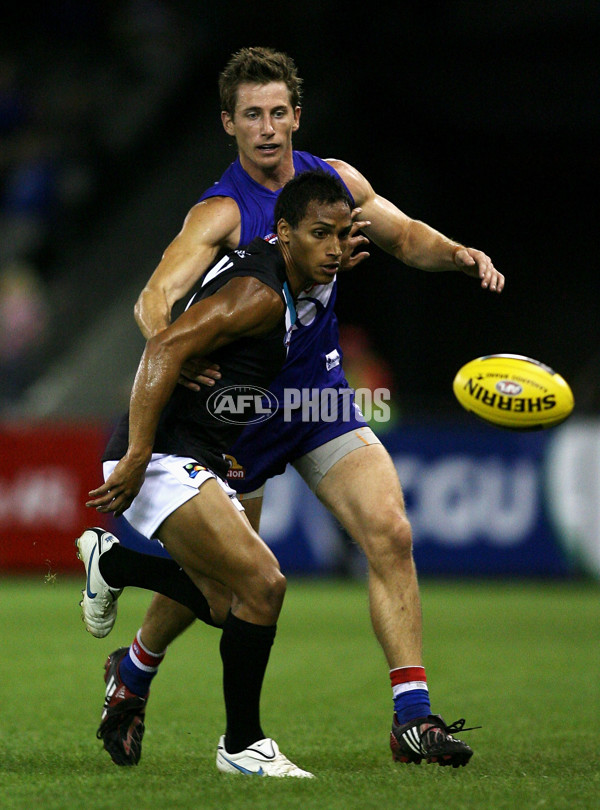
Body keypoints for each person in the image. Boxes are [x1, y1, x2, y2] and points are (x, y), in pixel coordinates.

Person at [78, 46, 504, 771]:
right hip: (240, 417)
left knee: (391, 531)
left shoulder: (332, 184)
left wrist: (458, 252)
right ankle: (138, 668)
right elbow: (154, 300)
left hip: (319, 398)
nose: (268, 128)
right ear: (229, 125)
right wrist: (179, 358)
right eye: (253, 115)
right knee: (228, 589)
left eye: (279, 112)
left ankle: (413, 719)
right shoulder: (221, 211)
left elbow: (402, 235)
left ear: (297, 115)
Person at [83, 169, 357, 778]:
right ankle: (242, 745)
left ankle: (114, 564)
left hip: (190, 450)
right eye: (321, 235)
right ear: (283, 234)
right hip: (161, 453)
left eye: (342, 234)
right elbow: (162, 349)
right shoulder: (257, 296)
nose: (336, 248)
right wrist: (137, 457)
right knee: (265, 584)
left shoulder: (276, 270)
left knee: (220, 603)